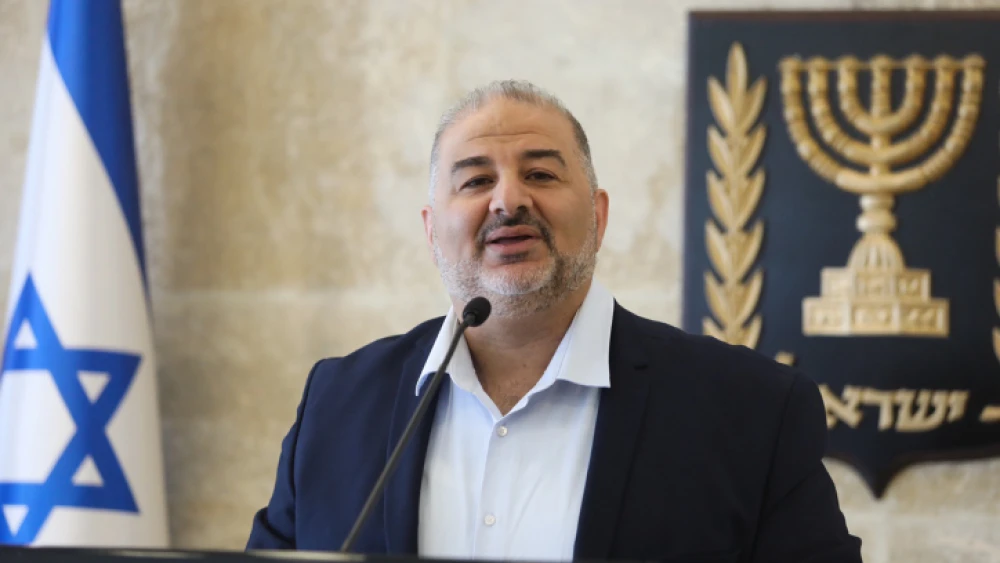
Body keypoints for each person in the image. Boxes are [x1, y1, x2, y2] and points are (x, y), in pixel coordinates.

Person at [246, 80, 863, 563]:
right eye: (476, 179)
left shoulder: (751, 407)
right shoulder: (338, 402)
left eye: (540, 173)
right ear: (432, 230)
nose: (508, 200)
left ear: (597, 216)